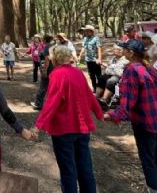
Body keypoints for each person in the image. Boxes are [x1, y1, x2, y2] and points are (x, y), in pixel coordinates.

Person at [31, 45, 104, 193]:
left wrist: (38, 126)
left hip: (64, 131)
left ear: (55, 59)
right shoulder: (78, 72)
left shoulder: (57, 75)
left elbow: (51, 103)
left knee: (68, 170)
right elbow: (90, 96)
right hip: (82, 129)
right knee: (85, 168)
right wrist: (99, 113)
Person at [106, 39, 157, 192]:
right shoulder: (150, 68)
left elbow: (128, 102)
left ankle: (155, 190)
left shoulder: (132, 70)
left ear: (130, 53)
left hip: (145, 123)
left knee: (148, 160)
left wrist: (112, 115)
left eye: (124, 49)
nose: (121, 51)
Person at [95, 44, 129, 110]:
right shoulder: (113, 59)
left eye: (115, 49)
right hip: (113, 75)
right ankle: (96, 97)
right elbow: (108, 69)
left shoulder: (125, 60)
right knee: (102, 77)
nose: (114, 50)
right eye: (115, 49)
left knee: (112, 80)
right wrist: (102, 64)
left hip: (121, 78)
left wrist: (110, 69)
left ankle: (104, 100)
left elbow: (119, 73)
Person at [30, 34, 54, 110]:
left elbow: (47, 59)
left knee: (43, 86)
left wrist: (44, 70)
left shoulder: (47, 47)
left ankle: (38, 104)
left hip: (48, 69)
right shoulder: (52, 46)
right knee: (50, 86)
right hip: (52, 69)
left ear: (44, 39)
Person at [78, 25, 103, 93]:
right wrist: (80, 55)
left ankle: (101, 89)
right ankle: (94, 88)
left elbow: (99, 48)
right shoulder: (85, 39)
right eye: (85, 31)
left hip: (95, 60)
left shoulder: (96, 38)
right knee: (91, 75)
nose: (85, 32)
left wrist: (99, 59)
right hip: (88, 60)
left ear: (91, 31)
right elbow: (84, 47)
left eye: (87, 31)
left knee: (98, 76)